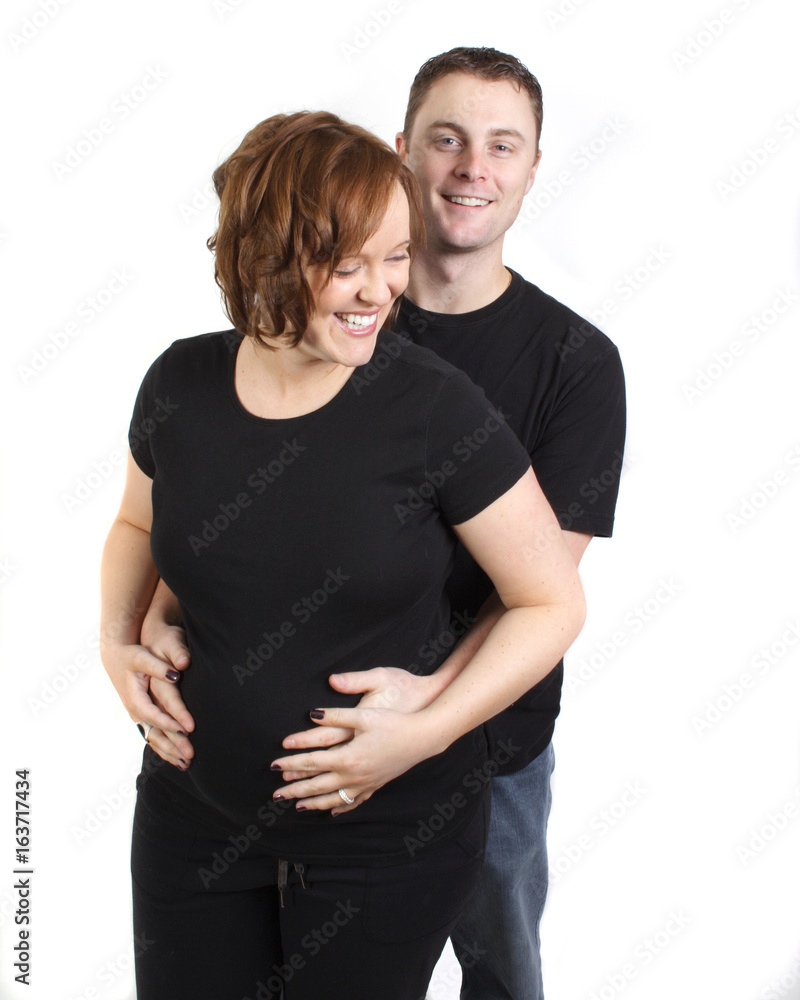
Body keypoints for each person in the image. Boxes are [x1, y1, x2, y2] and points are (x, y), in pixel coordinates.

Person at [113, 47, 626, 999]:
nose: (473, 167)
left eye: (503, 145)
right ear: (404, 155)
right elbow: (189, 523)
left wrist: (419, 727)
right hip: (209, 811)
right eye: (448, 139)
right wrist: (134, 628)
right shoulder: (245, 360)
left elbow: (541, 595)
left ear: (532, 167)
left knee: (502, 971)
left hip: (469, 753)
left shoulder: (535, 374)